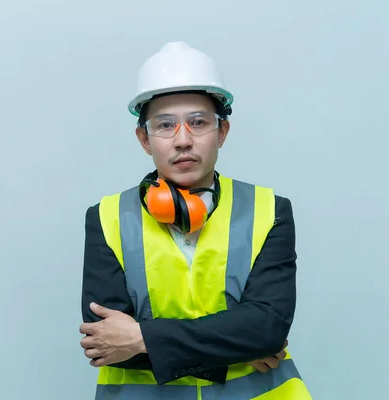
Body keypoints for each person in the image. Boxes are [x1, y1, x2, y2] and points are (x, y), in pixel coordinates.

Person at [78, 41, 312, 399]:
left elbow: (267, 329)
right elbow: (105, 342)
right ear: (144, 138)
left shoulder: (271, 210)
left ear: (222, 132)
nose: (183, 140)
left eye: (198, 123)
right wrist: (238, 346)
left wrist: (141, 337)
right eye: (165, 125)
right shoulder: (106, 218)